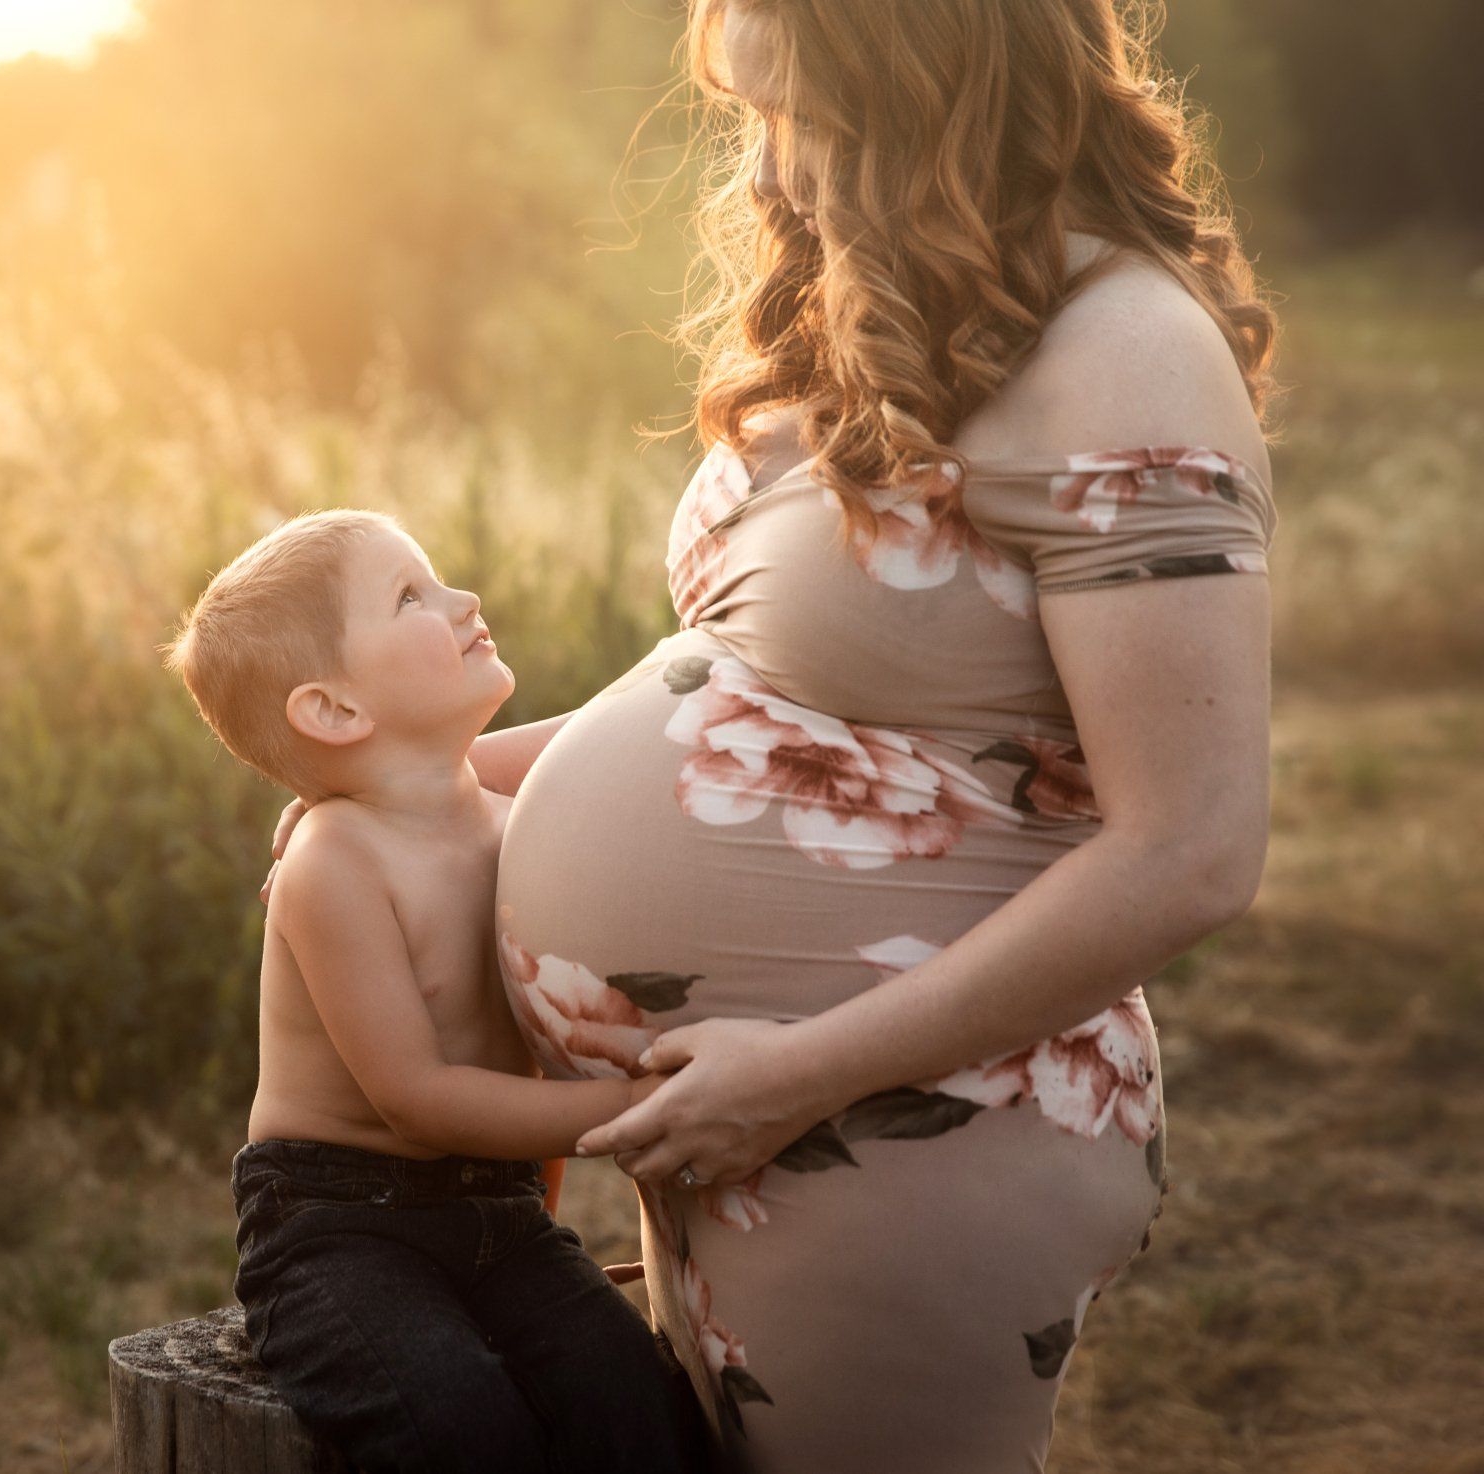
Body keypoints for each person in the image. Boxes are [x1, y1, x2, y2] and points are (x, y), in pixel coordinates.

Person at [271, 1, 1279, 1468]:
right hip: (734, 1126)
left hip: (904, 1134)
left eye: (799, 114)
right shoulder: (880, 310)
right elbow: (749, 680)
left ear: (925, 79)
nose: (772, 172)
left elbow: (1191, 849)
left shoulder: (1122, 350)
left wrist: (799, 1076)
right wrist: (385, 790)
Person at [160, 508, 713, 1474]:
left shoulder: (511, 819)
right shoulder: (334, 860)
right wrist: (632, 1108)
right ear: (333, 711)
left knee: (640, 1411)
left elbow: (623, 727)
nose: (465, 600)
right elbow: (416, 1098)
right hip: (339, 1226)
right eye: (411, 596)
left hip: (497, 1212)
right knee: (458, 1427)